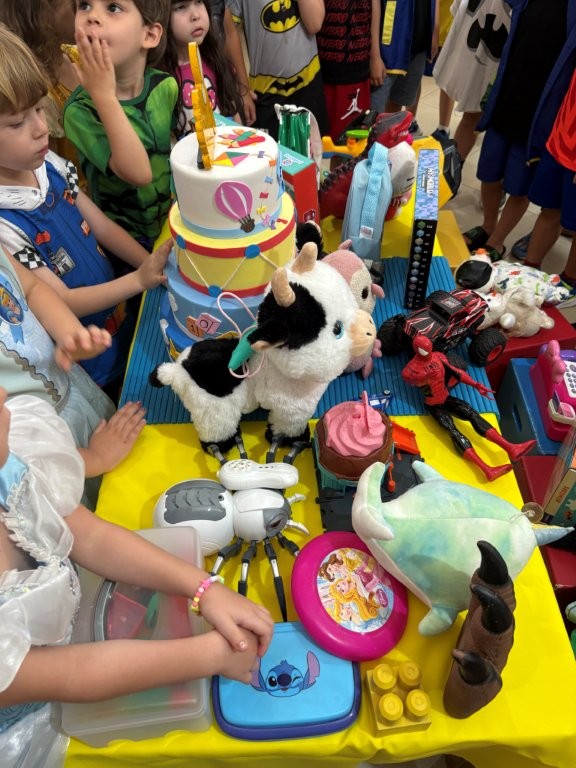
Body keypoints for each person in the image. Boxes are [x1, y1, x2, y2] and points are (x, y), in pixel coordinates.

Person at [0, 387, 274, 768]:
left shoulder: (8, 467)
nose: (3, 391)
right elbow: (72, 674)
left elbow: (90, 537)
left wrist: (204, 588)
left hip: (74, 636)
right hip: (38, 720)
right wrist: (211, 655)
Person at [0, 23, 171, 398]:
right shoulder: (6, 224)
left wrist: (152, 266)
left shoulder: (47, 166)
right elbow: (61, 299)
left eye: (39, 109)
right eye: (17, 122)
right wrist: (139, 279)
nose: (42, 128)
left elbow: (103, 227)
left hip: (124, 314)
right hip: (93, 361)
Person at [462, 0, 572, 261]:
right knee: (488, 171)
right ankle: (488, 225)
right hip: (506, 97)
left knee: (519, 183)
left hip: (540, 114)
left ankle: (497, 241)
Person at [63, 0, 178, 250]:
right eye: (84, 5)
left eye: (113, 7)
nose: (92, 16)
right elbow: (139, 173)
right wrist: (103, 95)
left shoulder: (165, 87)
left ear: (149, 35)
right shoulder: (80, 112)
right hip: (123, 247)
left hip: (171, 224)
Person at [401, 334, 535, 481]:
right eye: (425, 349)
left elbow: (457, 373)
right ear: (418, 349)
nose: (428, 351)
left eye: (429, 347)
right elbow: (407, 377)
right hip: (433, 405)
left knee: (472, 413)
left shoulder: (438, 357)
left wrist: (476, 384)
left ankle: (510, 447)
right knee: (453, 431)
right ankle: (486, 469)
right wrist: (425, 375)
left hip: (446, 397)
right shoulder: (413, 367)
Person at [224, 0, 329, 141]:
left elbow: (314, 24)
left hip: (308, 83)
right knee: (271, 151)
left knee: (311, 150)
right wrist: (243, 89)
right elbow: (229, 32)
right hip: (266, 91)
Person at [0, 0, 82, 171]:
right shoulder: (36, 93)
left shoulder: (78, 55)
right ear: (40, 14)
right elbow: (43, 169)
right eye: (76, 5)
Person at [432, 0, 511, 161]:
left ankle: (453, 164)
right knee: (473, 112)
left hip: (499, 37)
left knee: (475, 113)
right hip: (475, 30)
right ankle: (452, 166)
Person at [160, 0, 243, 138]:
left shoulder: (216, 61)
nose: (195, 15)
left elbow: (236, 120)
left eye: (199, 2)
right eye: (181, 7)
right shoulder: (161, 78)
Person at [370, 0, 439, 137]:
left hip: (418, 41)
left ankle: (387, 142)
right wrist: (374, 55)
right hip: (388, 46)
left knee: (397, 103)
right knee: (373, 115)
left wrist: (435, 29)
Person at [316, 0, 378, 143]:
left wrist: (375, 55)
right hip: (322, 65)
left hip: (356, 64)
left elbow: (374, 5)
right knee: (322, 140)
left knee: (352, 140)